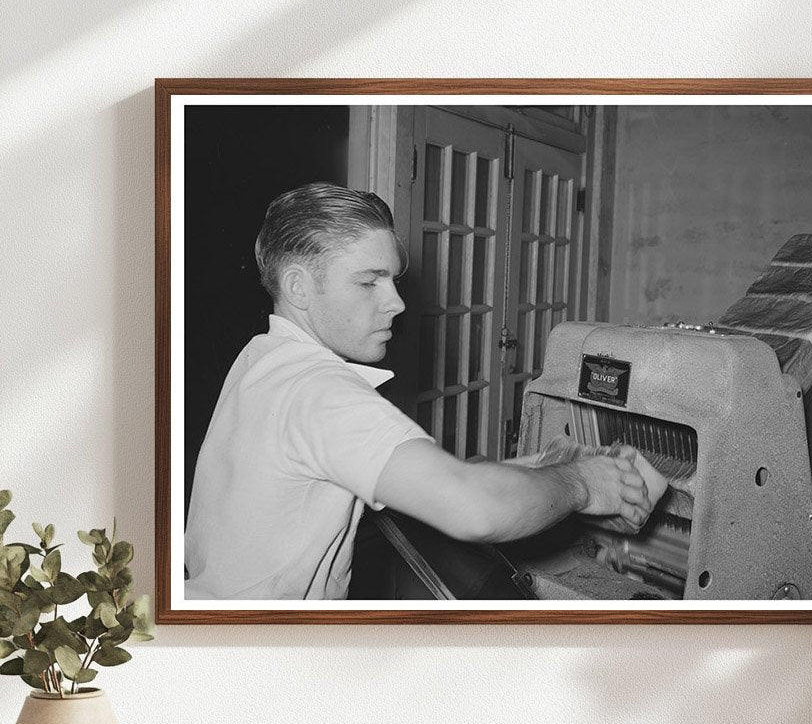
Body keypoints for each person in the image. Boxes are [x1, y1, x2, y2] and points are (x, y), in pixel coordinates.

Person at [185, 183, 658, 600]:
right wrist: (583, 484)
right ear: (299, 287)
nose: (396, 302)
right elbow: (477, 510)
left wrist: (535, 470)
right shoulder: (322, 393)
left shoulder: (263, 357)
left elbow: (384, 480)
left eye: (393, 279)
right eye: (369, 282)